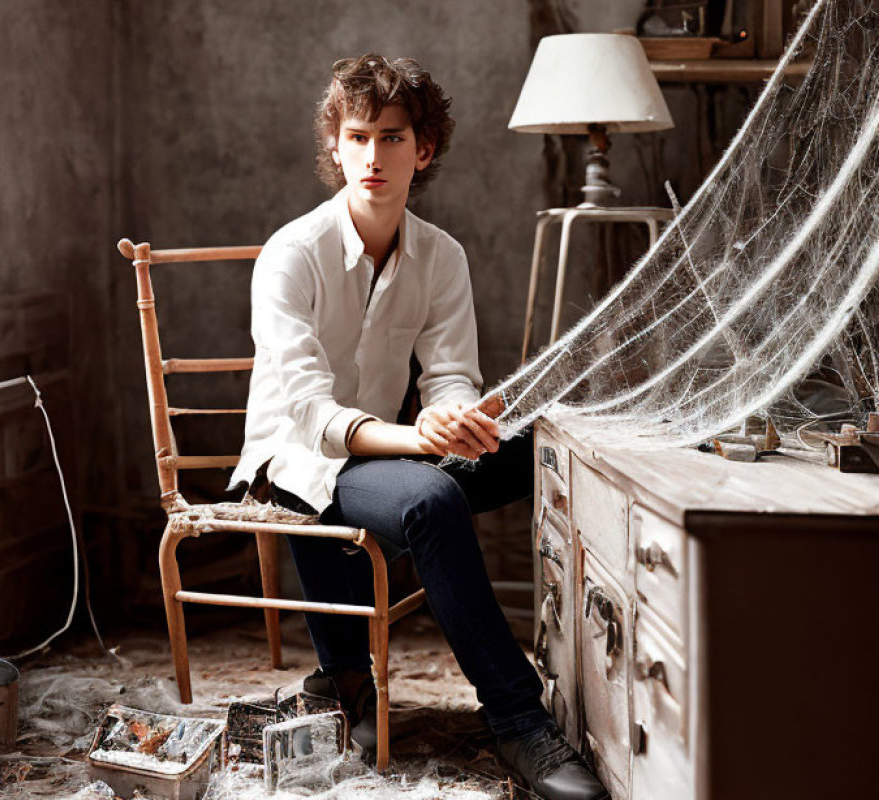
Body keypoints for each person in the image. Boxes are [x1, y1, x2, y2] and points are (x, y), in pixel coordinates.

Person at [229, 54, 607, 800]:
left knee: (536, 449)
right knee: (430, 501)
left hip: (395, 450)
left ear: (423, 150)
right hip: (300, 458)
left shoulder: (441, 255)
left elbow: (450, 378)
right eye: (359, 136)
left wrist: (454, 418)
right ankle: (518, 722)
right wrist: (423, 443)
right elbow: (310, 414)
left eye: (394, 137)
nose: (374, 155)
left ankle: (583, 660)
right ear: (336, 146)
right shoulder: (290, 255)